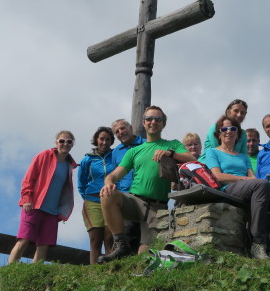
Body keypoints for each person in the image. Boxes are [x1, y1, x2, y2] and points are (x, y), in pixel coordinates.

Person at [98, 106, 195, 262]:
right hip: (134, 200)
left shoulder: (173, 144)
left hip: (157, 207)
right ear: (143, 123)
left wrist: (170, 153)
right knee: (107, 195)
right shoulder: (134, 151)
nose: (153, 122)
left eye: (158, 119)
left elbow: (192, 159)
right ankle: (121, 245)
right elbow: (114, 175)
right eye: (149, 119)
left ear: (163, 124)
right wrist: (108, 183)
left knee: (145, 257)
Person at [207, 115, 270, 262]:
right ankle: (258, 243)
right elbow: (218, 176)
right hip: (228, 188)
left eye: (233, 128)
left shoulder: (243, 156)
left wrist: (250, 181)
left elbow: (252, 176)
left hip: (248, 188)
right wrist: (246, 179)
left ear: (237, 134)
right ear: (219, 133)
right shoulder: (213, 152)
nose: (228, 131)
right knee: (261, 184)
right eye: (224, 128)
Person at [8, 130, 78, 264]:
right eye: (62, 141)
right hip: (34, 205)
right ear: (56, 142)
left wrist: (62, 212)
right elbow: (28, 178)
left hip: (52, 212)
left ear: (72, 144)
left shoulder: (69, 166)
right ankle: (8, 271)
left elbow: (65, 191)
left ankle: (35, 274)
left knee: (44, 245)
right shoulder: (44, 156)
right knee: (24, 240)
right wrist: (27, 198)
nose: (65, 144)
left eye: (69, 141)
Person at [78, 126, 116, 264]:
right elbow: (81, 183)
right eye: (101, 139)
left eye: (108, 139)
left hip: (111, 201)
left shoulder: (115, 156)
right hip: (92, 201)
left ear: (111, 141)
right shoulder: (87, 159)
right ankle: (95, 272)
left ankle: (109, 272)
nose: (104, 142)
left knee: (109, 239)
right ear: (96, 140)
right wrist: (88, 196)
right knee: (95, 240)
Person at [111, 118, 145, 253]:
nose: (121, 132)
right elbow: (116, 175)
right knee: (129, 234)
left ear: (130, 128)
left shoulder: (145, 143)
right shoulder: (116, 152)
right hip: (126, 196)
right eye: (117, 131)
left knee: (146, 235)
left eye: (123, 128)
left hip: (145, 194)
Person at [200, 99, 248, 164]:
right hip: (207, 167)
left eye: (242, 113)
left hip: (232, 167)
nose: (239, 115)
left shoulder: (243, 134)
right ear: (228, 111)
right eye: (236, 111)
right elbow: (220, 154)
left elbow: (244, 158)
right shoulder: (215, 128)